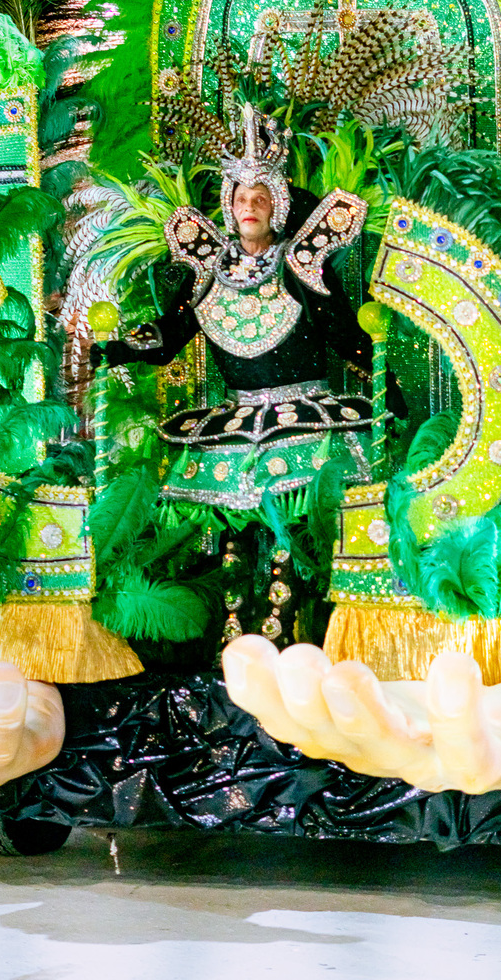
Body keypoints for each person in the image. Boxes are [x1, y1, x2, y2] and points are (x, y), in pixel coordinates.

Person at [94, 103, 405, 645]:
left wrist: (385, 381)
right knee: (234, 538)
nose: (249, 207)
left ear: (277, 205)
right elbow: (171, 334)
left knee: (293, 535)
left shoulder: (300, 264)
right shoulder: (207, 272)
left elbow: (341, 332)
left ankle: (290, 635)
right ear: (229, 206)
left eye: (260, 198)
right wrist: (119, 348)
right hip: (235, 423)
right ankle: (235, 639)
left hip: (306, 420)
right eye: (241, 198)